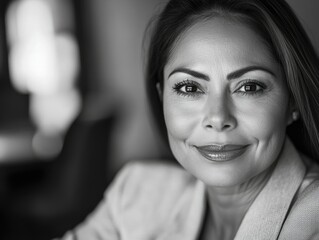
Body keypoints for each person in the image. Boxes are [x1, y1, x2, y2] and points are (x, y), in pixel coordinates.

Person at [57, 0, 319, 239]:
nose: (218, 118)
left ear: (292, 101)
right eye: (189, 88)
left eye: (249, 87)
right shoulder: (134, 196)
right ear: (162, 97)